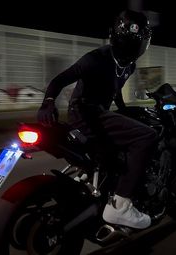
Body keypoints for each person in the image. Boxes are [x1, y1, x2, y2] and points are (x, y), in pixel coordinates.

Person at [37, 9, 157, 229]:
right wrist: (48, 102)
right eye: (128, 41)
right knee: (147, 136)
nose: (132, 46)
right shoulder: (96, 58)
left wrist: (124, 109)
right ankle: (120, 206)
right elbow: (60, 79)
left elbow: (114, 88)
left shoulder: (128, 66)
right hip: (84, 114)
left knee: (119, 149)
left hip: (100, 115)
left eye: (136, 42)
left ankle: (104, 191)